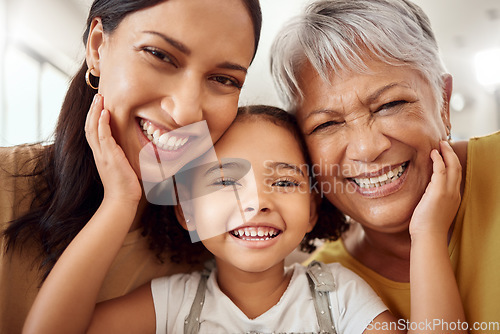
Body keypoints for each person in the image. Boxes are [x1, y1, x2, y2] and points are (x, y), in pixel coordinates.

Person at [23, 105, 466, 333]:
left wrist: (425, 234)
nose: (256, 203)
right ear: (187, 211)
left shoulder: (339, 297)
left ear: (313, 210)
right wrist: (119, 204)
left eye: (287, 182)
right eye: (224, 181)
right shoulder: (174, 304)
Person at [0, 0, 262, 332]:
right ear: (97, 48)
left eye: (224, 79)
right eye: (160, 55)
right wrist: (119, 202)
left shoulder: (217, 241)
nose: (185, 113)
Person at [270, 0, 500, 327]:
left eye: (389, 105)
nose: (367, 148)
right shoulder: (320, 294)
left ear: (444, 103)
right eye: (326, 125)